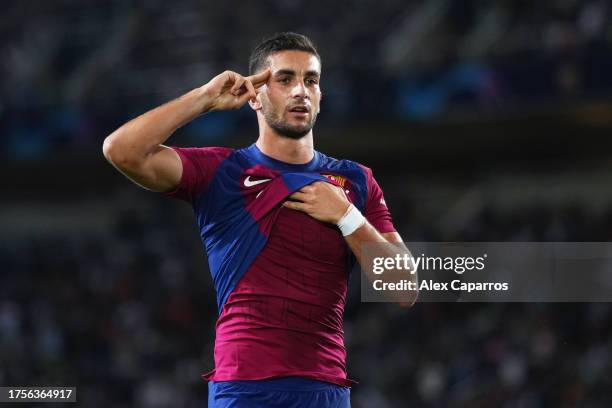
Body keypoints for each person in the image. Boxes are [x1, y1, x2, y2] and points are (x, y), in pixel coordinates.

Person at [103, 32, 416, 408]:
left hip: (326, 389)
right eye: (284, 80)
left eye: (311, 81)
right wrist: (203, 99)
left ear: (320, 96)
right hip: (244, 387)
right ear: (256, 94)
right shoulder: (220, 171)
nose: (300, 91)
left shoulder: (356, 181)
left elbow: (405, 287)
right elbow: (121, 150)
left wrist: (347, 217)